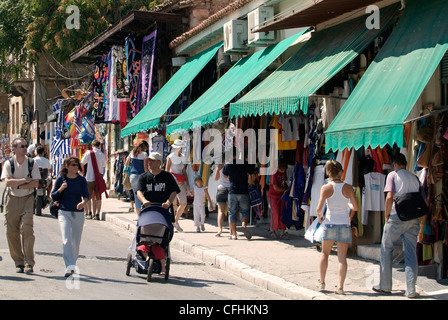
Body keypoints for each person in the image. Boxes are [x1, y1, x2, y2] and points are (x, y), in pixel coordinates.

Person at [372, 153, 421, 298]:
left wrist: (387, 215)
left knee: (386, 249)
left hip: (396, 217)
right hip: (413, 219)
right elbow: (421, 198)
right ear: (405, 163)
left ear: (395, 164)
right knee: (411, 253)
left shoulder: (393, 175)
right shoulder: (415, 177)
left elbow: (389, 197)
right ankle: (411, 290)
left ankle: (385, 286)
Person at [316, 160, 358, 295]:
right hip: (344, 224)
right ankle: (340, 287)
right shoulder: (348, 187)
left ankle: (322, 282)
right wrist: (348, 206)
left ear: (329, 173)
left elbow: (318, 208)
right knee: (342, 258)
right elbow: (355, 207)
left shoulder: (326, 188)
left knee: (325, 254)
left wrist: (320, 216)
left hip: (330, 223)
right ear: (340, 172)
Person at [1, 137, 41, 274]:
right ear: (15, 149)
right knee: (11, 231)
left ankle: (29, 262)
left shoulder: (32, 163)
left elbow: (35, 183)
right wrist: (24, 180)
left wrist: (16, 182)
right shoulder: (9, 163)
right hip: (12, 199)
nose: (25, 148)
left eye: (25, 146)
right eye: (22, 146)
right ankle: (18, 262)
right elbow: (7, 183)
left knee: (27, 229)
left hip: (27, 198)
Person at [136, 152, 180, 273]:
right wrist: (144, 201)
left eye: (153, 161)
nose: (150, 162)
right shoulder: (144, 177)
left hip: (162, 212)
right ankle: (145, 257)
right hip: (148, 211)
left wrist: (168, 202)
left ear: (159, 163)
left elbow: (174, 191)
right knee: (143, 235)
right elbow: (139, 191)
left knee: (161, 238)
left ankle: (162, 264)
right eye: (149, 160)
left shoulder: (167, 177)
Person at [51, 157, 89, 277]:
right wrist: (61, 189)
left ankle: (73, 262)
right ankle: (69, 266)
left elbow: (86, 195)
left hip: (78, 213)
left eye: (77, 165)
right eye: (73, 165)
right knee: (66, 239)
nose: (75, 167)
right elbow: (53, 196)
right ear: (66, 166)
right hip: (64, 212)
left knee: (75, 242)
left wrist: (83, 203)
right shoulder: (61, 179)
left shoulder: (81, 180)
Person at [222, 148, 256, 240]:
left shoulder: (228, 164)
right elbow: (252, 172)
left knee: (232, 213)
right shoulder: (244, 163)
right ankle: (244, 225)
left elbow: (224, 175)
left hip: (232, 191)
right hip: (244, 191)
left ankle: (234, 234)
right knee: (245, 211)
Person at [166, 139, 190, 232]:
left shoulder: (183, 157)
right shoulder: (170, 157)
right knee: (174, 204)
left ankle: (175, 221)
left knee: (183, 203)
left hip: (181, 182)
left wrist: (187, 182)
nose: (182, 149)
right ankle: (173, 222)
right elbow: (167, 171)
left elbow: (184, 171)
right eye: (181, 148)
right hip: (172, 182)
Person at [81, 140, 106, 220]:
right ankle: (97, 214)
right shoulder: (102, 155)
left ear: (92, 145)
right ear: (99, 146)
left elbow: (82, 163)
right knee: (98, 197)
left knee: (88, 196)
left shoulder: (88, 153)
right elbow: (104, 166)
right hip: (98, 179)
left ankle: (89, 213)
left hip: (89, 177)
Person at [126, 140, 149, 216]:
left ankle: (138, 215)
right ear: (145, 147)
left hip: (132, 176)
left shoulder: (132, 152)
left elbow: (126, 163)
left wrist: (133, 165)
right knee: (143, 195)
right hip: (141, 176)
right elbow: (145, 167)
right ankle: (144, 214)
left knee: (136, 195)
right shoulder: (144, 154)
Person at [268, 159, 289, 240]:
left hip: (281, 196)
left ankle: (282, 231)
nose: (283, 171)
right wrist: (285, 189)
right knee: (275, 213)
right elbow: (275, 187)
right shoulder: (274, 173)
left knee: (282, 213)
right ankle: (273, 229)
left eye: (284, 169)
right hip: (273, 196)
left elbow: (284, 182)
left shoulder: (284, 172)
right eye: (281, 169)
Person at [214, 163, 230, 237]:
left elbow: (216, 178)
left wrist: (218, 169)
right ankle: (232, 230)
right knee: (231, 211)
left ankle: (220, 229)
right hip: (230, 189)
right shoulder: (232, 165)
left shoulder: (220, 166)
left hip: (221, 188)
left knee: (220, 211)